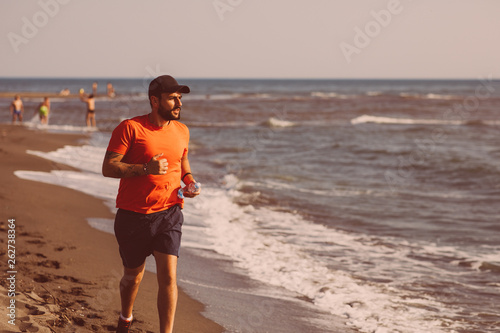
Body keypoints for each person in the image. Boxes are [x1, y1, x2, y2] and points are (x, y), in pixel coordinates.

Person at [101, 75, 201, 333]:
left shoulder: (182, 131)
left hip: (169, 212)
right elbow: (108, 168)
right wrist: (147, 168)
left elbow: (182, 164)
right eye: (172, 98)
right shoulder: (130, 128)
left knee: (169, 277)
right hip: (133, 216)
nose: (179, 103)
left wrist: (189, 182)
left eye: (180, 98)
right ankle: (125, 318)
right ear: (155, 101)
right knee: (132, 277)